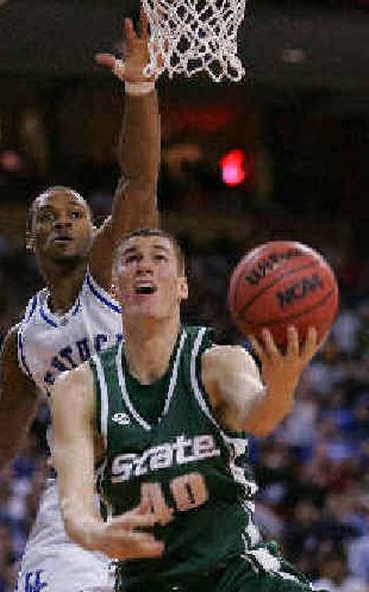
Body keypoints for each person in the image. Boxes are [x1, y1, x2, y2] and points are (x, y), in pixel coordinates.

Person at [0, 8, 161, 592]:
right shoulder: (24, 341)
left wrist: (138, 86)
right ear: (30, 239)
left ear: (93, 227)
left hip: (158, 484)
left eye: (75, 213)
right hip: (73, 506)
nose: (62, 222)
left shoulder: (110, 273)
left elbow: (139, 180)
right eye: (46, 217)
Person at [51, 227, 329, 592]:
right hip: (147, 581)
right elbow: (74, 506)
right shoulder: (78, 389)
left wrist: (282, 382)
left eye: (159, 258)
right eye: (132, 258)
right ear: (114, 288)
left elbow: (260, 417)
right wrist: (98, 534)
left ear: (182, 286)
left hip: (235, 573)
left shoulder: (220, 363)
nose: (144, 267)